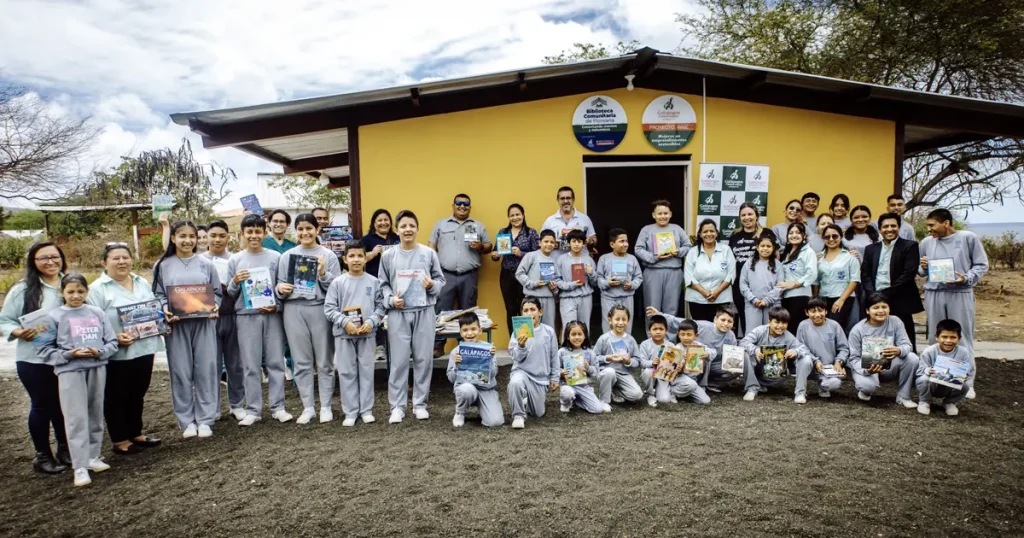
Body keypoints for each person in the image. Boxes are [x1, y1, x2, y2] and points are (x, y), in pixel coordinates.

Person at [38, 273, 119, 487]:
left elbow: (111, 342)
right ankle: (79, 465)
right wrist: (69, 354)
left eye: (81, 291)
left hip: (97, 367)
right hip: (70, 371)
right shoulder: (54, 316)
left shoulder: (97, 312)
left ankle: (93, 456)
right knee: (75, 417)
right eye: (71, 292)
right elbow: (44, 349)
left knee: (95, 412)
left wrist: (99, 351)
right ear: (62, 292)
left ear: (87, 292)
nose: (76, 296)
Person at [0, 242, 71, 474]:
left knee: (64, 405)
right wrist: (18, 331)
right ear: (33, 262)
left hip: (65, 357)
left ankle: (65, 449)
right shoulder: (23, 289)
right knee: (41, 406)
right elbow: (5, 320)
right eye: (43, 258)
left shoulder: (69, 284)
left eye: (55, 256)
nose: (50, 262)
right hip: (34, 360)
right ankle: (43, 456)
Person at [86, 243, 163, 456]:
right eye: (115, 258)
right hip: (117, 352)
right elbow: (91, 323)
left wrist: (162, 323)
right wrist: (113, 337)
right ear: (105, 262)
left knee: (138, 391)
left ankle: (135, 432)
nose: (121, 262)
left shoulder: (141, 282)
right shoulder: (97, 289)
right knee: (116, 395)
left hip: (144, 347)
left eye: (125, 257)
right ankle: (119, 439)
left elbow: (152, 309)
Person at [152, 220, 221, 438]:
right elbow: (158, 295)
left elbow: (217, 292)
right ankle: (186, 420)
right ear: (173, 238)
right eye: (182, 236)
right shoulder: (162, 265)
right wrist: (164, 309)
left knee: (206, 370)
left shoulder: (206, 264)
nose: (187, 240)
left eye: (192, 236)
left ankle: (205, 418)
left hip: (204, 323)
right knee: (181, 371)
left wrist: (215, 305)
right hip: (177, 325)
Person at [379, 210, 446, 424]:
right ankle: (397, 406)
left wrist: (432, 285)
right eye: (403, 226)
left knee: (423, 359)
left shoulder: (428, 253)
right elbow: (383, 284)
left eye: (412, 225)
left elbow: (440, 280)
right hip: (399, 312)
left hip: (424, 311)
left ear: (417, 228)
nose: (408, 229)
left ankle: (420, 404)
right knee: (398, 361)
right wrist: (391, 300)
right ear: (397, 230)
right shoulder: (388, 255)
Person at [227, 214, 292, 426]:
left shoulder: (276, 257)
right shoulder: (235, 260)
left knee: (275, 362)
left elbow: (282, 288)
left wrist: (277, 305)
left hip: (271, 315)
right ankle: (253, 409)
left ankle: (278, 407)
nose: (254, 235)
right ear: (242, 234)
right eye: (250, 232)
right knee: (250, 364)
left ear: (265, 233)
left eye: (258, 231)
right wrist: (236, 281)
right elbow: (230, 293)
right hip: (246, 316)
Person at [277, 213, 342, 425]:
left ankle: (325, 406)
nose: (305, 233)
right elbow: (279, 286)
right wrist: (281, 288)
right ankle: (308, 407)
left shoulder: (328, 256)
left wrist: (323, 273)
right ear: (296, 231)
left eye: (309, 228)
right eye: (301, 229)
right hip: (293, 309)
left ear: (317, 230)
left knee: (324, 361)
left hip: (319, 308)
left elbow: (336, 288)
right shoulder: (287, 256)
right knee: (301, 361)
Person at [918, 208, 988, 369]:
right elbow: (921, 271)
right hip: (934, 293)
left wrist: (966, 278)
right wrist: (922, 267)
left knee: (961, 335)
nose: (929, 229)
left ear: (946, 223)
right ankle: (939, 376)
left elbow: (981, 264)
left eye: (932, 225)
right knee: (936, 336)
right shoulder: (927, 242)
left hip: (960, 293)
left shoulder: (967, 238)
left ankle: (964, 380)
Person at [325, 240, 385, 427]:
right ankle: (350, 411)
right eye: (352, 256)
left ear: (365, 258)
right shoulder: (337, 283)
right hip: (344, 335)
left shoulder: (374, 282)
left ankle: (366, 410)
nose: (356, 259)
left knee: (366, 371)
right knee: (347, 372)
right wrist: (345, 322)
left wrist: (371, 322)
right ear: (345, 259)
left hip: (367, 334)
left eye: (360, 255)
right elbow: (329, 308)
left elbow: (381, 306)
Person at [201, 220, 245, 420]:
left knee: (235, 364)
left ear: (228, 237)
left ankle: (237, 404)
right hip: (208, 319)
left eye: (221, 236)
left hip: (232, 315)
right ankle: (213, 408)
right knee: (212, 365)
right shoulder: (198, 261)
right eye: (213, 235)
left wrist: (233, 284)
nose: (217, 239)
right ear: (206, 237)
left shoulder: (236, 260)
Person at [862, 212, 923, 352]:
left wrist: (885, 294)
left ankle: (909, 365)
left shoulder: (910, 246)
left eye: (893, 226)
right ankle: (878, 365)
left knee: (904, 333)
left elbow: (908, 274)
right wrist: (873, 295)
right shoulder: (871, 249)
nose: (889, 229)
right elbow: (865, 274)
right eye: (885, 226)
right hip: (875, 299)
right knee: (877, 333)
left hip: (900, 298)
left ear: (899, 227)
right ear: (880, 229)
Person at [847, 292, 920, 407]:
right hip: (867, 367)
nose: (881, 311)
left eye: (884, 307)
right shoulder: (857, 330)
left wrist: (899, 350)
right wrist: (867, 370)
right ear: (867, 311)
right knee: (867, 386)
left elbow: (907, 345)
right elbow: (853, 358)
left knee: (912, 358)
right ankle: (865, 390)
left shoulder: (895, 321)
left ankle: (903, 396)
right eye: (876, 307)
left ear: (889, 309)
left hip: (889, 366)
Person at [429, 194, 491, 322]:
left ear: (470, 208)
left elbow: (489, 246)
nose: (462, 206)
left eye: (466, 204)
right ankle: (439, 342)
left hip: (469, 277)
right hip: (445, 276)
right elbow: (431, 248)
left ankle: (466, 342)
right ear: (453, 206)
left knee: (468, 316)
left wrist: (480, 246)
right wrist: (434, 272)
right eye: (458, 203)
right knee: (441, 315)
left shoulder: (477, 226)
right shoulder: (440, 224)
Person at [740, 306, 813, 404]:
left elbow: (804, 348)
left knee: (806, 358)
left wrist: (795, 352)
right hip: (758, 369)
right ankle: (752, 388)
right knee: (745, 353)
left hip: (777, 373)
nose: (780, 326)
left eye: (784, 323)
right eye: (777, 322)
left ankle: (800, 393)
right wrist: (756, 350)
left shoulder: (788, 336)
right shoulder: (760, 331)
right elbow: (743, 342)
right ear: (769, 322)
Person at [507, 298, 559, 430]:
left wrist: (554, 377)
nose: (529, 313)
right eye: (526, 310)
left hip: (540, 378)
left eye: (533, 309)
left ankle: (526, 400)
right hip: (522, 372)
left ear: (540, 312)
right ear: (522, 314)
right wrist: (521, 345)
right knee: (515, 383)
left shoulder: (549, 332)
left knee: (538, 414)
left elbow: (554, 356)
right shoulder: (518, 332)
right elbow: (515, 356)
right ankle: (518, 415)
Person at [634, 200, 691, 317]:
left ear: (670, 214)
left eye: (665, 213)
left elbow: (688, 246)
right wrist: (654, 257)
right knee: (651, 307)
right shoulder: (646, 230)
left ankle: (669, 335)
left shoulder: (677, 229)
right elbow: (638, 249)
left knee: (672, 307)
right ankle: (652, 334)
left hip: (674, 271)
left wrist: (678, 252)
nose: (663, 216)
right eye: (659, 214)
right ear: (654, 215)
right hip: (653, 271)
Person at [447, 312, 503, 427]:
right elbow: (452, 379)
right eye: (465, 330)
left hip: (486, 389)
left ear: (480, 330)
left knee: (495, 422)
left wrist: (490, 359)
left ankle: (486, 407)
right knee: (466, 390)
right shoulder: (456, 351)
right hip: (466, 388)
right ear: (461, 333)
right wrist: (457, 366)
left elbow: (493, 374)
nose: (470, 333)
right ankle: (460, 412)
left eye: (473, 329)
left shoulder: (488, 348)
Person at [491, 204, 540, 333]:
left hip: (525, 276)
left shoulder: (531, 233)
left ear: (523, 215)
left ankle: (526, 338)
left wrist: (521, 253)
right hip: (507, 275)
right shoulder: (503, 232)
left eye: (517, 214)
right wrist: (495, 255)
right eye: (512, 215)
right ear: (508, 217)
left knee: (525, 307)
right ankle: (514, 340)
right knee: (511, 308)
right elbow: (495, 252)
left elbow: (538, 255)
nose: (515, 217)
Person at [641, 317, 712, 407]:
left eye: (661, 329)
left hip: (667, 375)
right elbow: (641, 363)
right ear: (649, 331)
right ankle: (650, 393)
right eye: (655, 329)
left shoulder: (671, 345)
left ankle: (679, 392)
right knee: (649, 374)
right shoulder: (645, 344)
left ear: (666, 331)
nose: (658, 332)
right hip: (656, 373)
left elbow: (673, 365)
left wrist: (678, 368)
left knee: (705, 400)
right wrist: (652, 362)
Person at [916, 319, 974, 417]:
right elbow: (920, 371)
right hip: (932, 384)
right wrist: (928, 370)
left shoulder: (964, 352)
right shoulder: (929, 351)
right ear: (937, 337)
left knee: (965, 386)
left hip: (950, 385)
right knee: (923, 379)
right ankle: (925, 401)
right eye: (944, 337)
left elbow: (967, 370)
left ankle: (949, 402)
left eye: (953, 337)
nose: (948, 341)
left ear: (959, 338)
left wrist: (964, 375)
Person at [728, 203, 770, 336]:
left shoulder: (766, 233)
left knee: (765, 320)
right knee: (745, 317)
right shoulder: (735, 235)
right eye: (743, 215)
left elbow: (775, 258)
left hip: (761, 283)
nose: (747, 217)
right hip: (740, 284)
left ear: (757, 216)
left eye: (750, 214)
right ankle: (749, 349)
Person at [796, 297, 849, 399]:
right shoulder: (803, 326)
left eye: (820, 311)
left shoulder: (834, 326)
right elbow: (800, 347)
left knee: (835, 383)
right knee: (805, 360)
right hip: (810, 365)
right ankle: (800, 392)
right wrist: (815, 361)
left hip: (827, 368)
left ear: (826, 311)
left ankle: (823, 385)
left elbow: (844, 348)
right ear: (807, 313)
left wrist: (839, 362)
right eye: (813, 311)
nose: (817, 315)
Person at [684, 219, 735, 322]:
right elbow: (689, 276)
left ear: (716, 233)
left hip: (721, 299)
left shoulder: (726, 250)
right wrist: (704, 292)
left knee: (720, 330)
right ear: (700, 234)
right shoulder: (692, 252)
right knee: (701, 330)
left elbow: (731, 274)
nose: (709, 234)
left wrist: (716, 292)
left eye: (712, 231)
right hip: (697, 300)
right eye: (705, 231)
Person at [593, 305, 645, 405]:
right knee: (610, 372)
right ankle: (604, 400)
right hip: (606, 373)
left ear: (628, 321)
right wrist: (608, 358)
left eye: (624, 319)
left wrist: (628, 361)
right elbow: (594, 358)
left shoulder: (630, 340)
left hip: (624, 374)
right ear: (610, 320)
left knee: (637, 395)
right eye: (617, 319)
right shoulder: (604, 338)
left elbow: (638, 360)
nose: (620, 323)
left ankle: (614, 391)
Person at [596, 228, 643, 334]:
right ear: (612, 244)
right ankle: (608, 349)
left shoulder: (632, 259)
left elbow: (639, 277)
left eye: (626, 241)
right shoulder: (604, 259)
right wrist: (607, 283)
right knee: (609, 326)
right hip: (609, 298)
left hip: (627, 297)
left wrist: (632, 285)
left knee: (626, 326)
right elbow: (598, 278)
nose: (625, 244)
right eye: (621, 241)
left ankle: (626, 350)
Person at [814, 224, 860, 330]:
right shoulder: (819, 258)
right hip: (823, 298)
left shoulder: (850, 257)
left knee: (835, 328)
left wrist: (841, 300)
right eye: (827, 237)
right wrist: (816, 299)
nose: (831, 239)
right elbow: (816, 281)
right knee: (822, 328)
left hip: (843, 298)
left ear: (841, 236)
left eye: (834, 236)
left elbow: (854, 280)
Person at [558, 321, 609, 414]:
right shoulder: (562, 352)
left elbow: (596, 371)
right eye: (573, 334)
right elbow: (554, 369)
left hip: (584, 386)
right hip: (568, 385)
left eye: (580, 334)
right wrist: (561, 372)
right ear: (568, 336)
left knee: (597, 410)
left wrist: (588, 368)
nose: (577, 337)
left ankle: (578, 401)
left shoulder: (589, 352)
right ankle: (566, 403)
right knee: (567, 392)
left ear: (585, 336)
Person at [515, 229, 560, 329]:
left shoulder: (555, 260)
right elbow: (519, 273)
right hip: (532, 298)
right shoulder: (531, 256)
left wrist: (554, 289)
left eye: (552, 242)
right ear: (540, 242)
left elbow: (557, 279)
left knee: (548, 328)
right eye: (546, 241)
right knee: (529, 329)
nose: (549, 244)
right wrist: (533, 283)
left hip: (549, 299)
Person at [738, 232, 782, 330]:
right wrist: (754, 299)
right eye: (762, 246)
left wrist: (766, 300)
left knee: (772, 332)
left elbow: (780, 286)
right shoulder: (748, 263)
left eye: (768, 246)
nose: (765, 248)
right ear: (757, 247)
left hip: (772, 304)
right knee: (753, 332)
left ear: (773, 248)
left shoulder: (778, 265)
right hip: (753, 304)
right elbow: (743, 284)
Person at [555, 230, 596, 333]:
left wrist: (591, 274)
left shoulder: (588, 260)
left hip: (585, 297)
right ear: (569, 243)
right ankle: (567, 349)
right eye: (574, 241)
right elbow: (557, 280)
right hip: (567, 298)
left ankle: (584, 348)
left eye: (579, 241)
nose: (576, 244)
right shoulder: (561, 259)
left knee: (584, 327)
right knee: (569, 327)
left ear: (583, 244)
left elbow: (595, 283)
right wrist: (572, 285)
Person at [777, 223, 817, 328]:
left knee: (797, 328)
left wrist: (792, 285)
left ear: (804, 236)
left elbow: (811, 274)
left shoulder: (808, 252)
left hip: (800, 297)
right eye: (791, 233)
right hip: (786, 297)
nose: (794, 235)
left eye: (798, 233)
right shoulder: (787, 253)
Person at [541, 186, 597, 259]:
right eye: (562, 198)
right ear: (558, 200)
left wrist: (591, 241)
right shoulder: (550, 220)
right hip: (557, 263)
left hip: (580, 262)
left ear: (573, 199)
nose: (565, 201)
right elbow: (541, 241)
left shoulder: (585, 219)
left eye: (568, 198)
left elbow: (594, 239)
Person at [361, 208, 400, 278]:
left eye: (386, 220)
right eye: (380, 220)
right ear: (374, 223)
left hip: (395, 278)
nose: (383, 223)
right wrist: (372, 253)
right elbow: (359, 259)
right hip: (375, 280)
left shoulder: (397, 238)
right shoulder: (366, 239)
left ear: (390, 222)